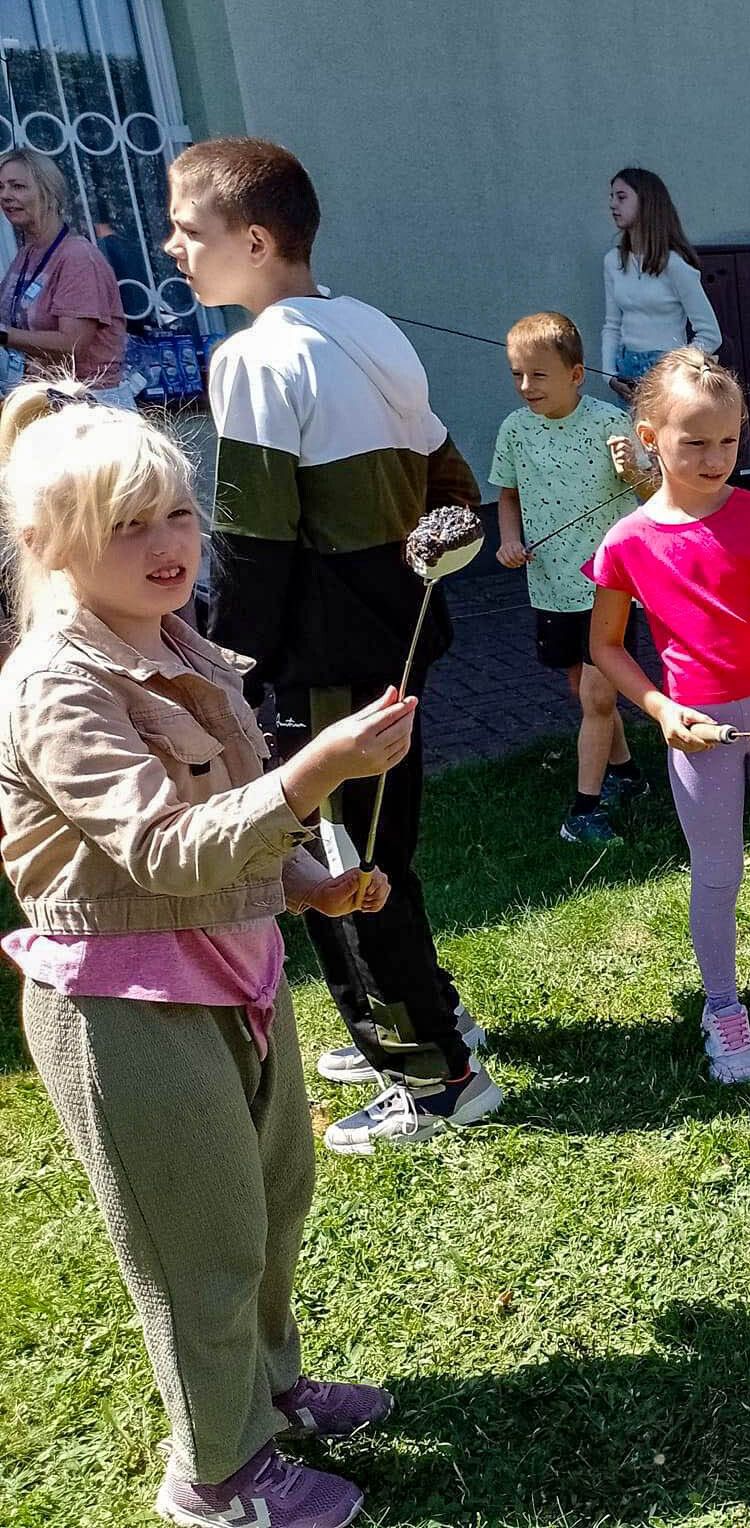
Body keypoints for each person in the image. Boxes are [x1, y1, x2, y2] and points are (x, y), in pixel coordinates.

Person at [0, 383, 416, 1528]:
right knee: (200, 1249)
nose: (166, 545)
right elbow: (162, 848)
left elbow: (229, 829)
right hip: (126, 1007)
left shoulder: (190, 649)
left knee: (272, 1205)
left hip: (236, 971)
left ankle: (270, 1395)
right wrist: (310, 777)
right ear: (49, 548)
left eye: (177, 514)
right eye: (125, 525)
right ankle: (218, 1476)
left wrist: (306, 880)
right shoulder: (54, 687)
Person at [163, 136, 500, 1152]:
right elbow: (453, 481)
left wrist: (212, 664)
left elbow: (251, 547)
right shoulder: (369, 326)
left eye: (189, 230)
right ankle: (428, 1011)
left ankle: (434, 1076)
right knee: (376, 845)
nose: (173, 248)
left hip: (322, 666)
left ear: (255, 240)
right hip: (392, 643)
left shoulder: (255, 358)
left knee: (338, 862)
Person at [585, 347, 750, 1082]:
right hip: (695, 728)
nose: (714, 458)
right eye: (694, 442)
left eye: (728, 441)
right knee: (717, 873)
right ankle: (725, 1011)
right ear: (649, 438)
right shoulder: (627, 543)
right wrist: (658, 708)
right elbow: (605, 646)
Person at [490, 311, 650, 844]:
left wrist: (635, 470)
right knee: (583, 686)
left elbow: (654, 496)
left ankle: (583, 811)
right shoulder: (514, 429)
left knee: (599, 698)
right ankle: (627, 775)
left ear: (576, 375)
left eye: (538, 374)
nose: (525, 386)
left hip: (610, 583)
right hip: (552, 584)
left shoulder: (609, 423)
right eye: (517, 374)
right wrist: (508, 539)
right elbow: (507, 495)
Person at [0, 149, 129, 404]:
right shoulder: (27, 255)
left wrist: (4, 335)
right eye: (1, 187)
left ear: (49, 193)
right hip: (48, 399)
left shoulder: (78, 258)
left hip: (91, 405)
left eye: (18, 186)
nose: (5, 196)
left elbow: (72, 344)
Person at [601, 167, 721, 401]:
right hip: (626, 371)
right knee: (630, 436)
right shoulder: (612, 261)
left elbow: (710, 334)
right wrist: (610, 376)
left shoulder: (674, 265)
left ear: (647, 202)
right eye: (612, 197)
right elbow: (612, 325)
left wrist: (675, 366)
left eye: (622, 197)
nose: (613, 204)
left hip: (667, 372)